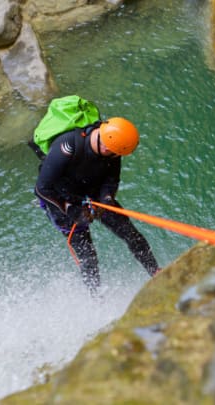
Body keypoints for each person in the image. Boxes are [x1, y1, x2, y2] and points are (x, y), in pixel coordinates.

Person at [34, 117, 160, 293]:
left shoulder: (113, 148)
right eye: (116, 153)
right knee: (88, 257)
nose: (118, 157)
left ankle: (156, 272)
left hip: (94, 197)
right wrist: (70, 209)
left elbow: (111, 179)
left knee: (132, 235)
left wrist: (107, 199)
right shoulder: (68, 147)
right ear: (106, 146)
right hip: (61, 201)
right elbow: (42, 188)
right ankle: (96, 296)